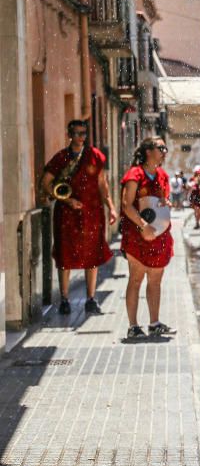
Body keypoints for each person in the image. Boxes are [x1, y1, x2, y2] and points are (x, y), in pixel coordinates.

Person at [40, 120, 118, 315]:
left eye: (84, 133)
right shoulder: (60, 158)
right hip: (66, 213)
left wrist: (111, 207)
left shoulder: (95, 156)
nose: (81, 137)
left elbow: (102, 184)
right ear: (70, 134)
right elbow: (46, 183)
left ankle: (91, 298)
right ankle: (64, 299)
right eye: (77, 133)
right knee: (64, 256)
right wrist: (66, 201)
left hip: (92, 212)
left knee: (92, 255)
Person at [119, 137, 176, 340]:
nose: (164, 151)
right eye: (161, 147)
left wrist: (166, 203)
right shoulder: (134, 174)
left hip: (158, 234)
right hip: (137, 234)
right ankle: (133, 326)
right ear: (148, 151)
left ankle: (154, 323)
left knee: (155, 280)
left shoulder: (162, 175)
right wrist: (143, 226)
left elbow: (163, 199)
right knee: (136, 278)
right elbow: (127, 205)